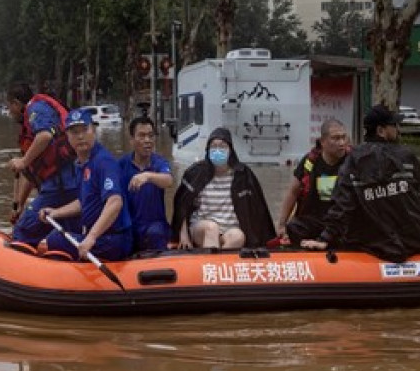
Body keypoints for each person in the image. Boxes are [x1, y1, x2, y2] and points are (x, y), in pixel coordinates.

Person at [301, 105, 420, 262]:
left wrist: (325, 238)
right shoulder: (407, 157)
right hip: (416, 239)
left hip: (375, 243)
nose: (398, 130)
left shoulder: (353, 160)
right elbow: (413, 197)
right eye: (394, 126)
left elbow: (343, 205)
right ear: (381, 131)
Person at [40, 108, 133, 261]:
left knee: (54, 240)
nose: (81, 136)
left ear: (94, 130)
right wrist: (55, 212)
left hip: (115, 240)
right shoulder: (81, 164)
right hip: (101, 235)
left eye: (85, 130)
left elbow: (115, 202)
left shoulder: (103, 162)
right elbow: (85, 202)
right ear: (67, 137)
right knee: (64, 223)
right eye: (74, 132)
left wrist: (91, 238)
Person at [171, 127, 275, 250]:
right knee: (212, 228)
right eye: (213, 146)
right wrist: (183, 236)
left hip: (230, 227)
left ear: (230, 150)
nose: (217, 150)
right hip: (201, 227)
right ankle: (208, 264)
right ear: (208, 150)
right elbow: (182, 206)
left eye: (222, 146)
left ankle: (221, 265)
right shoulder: (196, 173)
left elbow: (258, 209)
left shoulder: (243, 175)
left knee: (238, 237)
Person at [6, 83, 80, 246]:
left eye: (9, 107)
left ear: (17, 104)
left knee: (22, 231)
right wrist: (20, 205)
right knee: (65, 234)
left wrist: (22, 161)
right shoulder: (31, 127)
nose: (9, 112)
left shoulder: (36, 109)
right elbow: (31, 175)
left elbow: (45, 136)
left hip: (60, 186)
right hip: (62, 185)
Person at [276, 119, 349, 243]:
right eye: (336, 138)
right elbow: (293, 192)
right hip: (316, 220)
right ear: (323, 142)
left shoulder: (353, 162)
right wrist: (281, 224)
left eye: (344, 137)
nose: (342, 143)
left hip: (342, 221)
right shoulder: (310, 162)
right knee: (293, 229)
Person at [118, 115, 173, 252]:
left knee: (156, 233)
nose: (147, 140)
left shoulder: (159, 163)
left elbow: (168, 181)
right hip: (130, 225)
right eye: (141, 136)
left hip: (155, 225)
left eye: (150, 136)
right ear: (131, 140)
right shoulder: (121, 165)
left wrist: (148, 176)